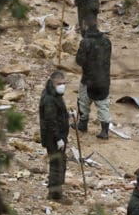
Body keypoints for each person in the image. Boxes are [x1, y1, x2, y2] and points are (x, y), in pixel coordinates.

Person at [75, 26, 113, 139]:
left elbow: (79, 60)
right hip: (104, 79)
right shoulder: (107, 41)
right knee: (103, 104)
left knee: (83, 101)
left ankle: (82, 124)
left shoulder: (85, 42)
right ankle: (104, 131)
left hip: (89, 79)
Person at [38, 70, 70, 202]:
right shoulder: (49, 99)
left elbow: (59, 113)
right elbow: (50, 121)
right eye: (59, 83)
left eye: (64, 83)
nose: (62, 85)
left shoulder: (54, 93)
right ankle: (55, 195)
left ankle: (56, 191)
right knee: (57, 164)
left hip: (58, 136)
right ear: (53, 82)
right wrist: (58, 138)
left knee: (60, 162)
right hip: (53, 138)